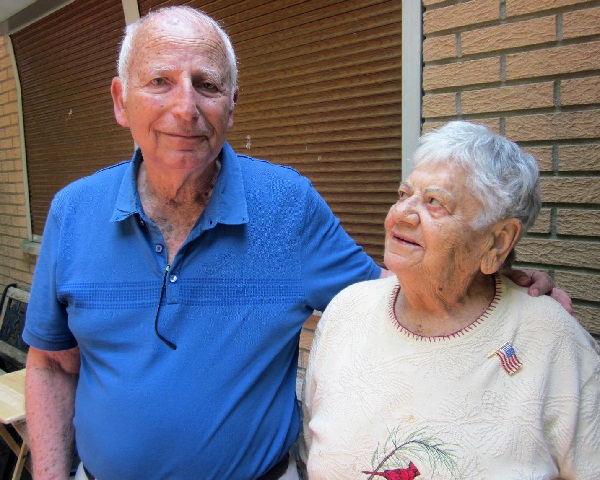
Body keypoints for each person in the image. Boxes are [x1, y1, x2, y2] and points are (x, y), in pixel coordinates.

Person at [22, 7, 566, 480]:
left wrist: (489, 279)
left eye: (206, 85)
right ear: (121, 101)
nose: (185, 106)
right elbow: (50, 364)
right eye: (159, 81)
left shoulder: (286, 205)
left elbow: (397, 296)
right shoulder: (73, 212)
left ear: (232, 105)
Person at [301, 121, 600, 479]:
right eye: (403, 194)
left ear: (499, 241)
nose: (400, 215)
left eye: (434, 203)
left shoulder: (551, 341)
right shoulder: (347, 312)